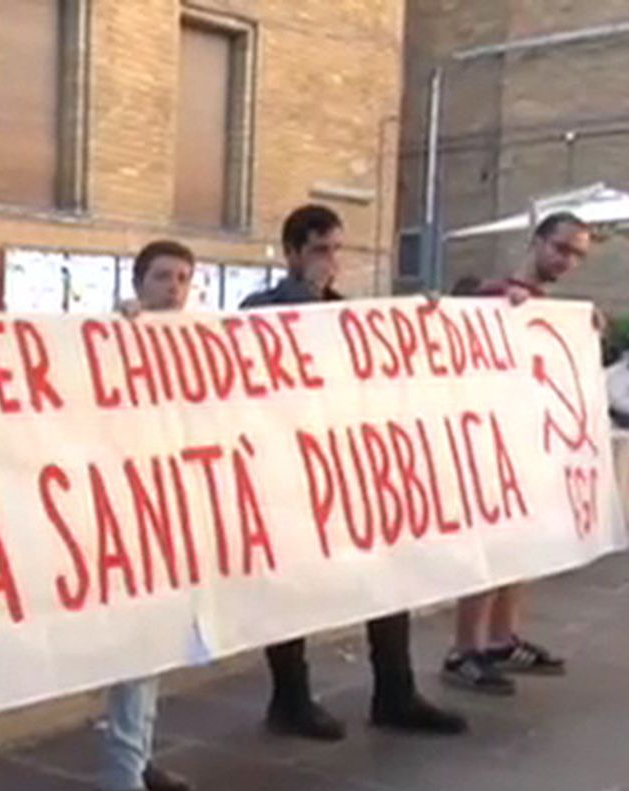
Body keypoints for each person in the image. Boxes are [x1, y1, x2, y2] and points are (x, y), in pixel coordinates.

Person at [242, 205, 468, 741]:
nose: (331, 261)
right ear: (293, 253)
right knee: (290, 587)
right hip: (286, 470)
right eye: (320, 250)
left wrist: (428, 324)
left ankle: (395, 690)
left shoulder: (344, 313)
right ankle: (290, 699)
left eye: (337, 250)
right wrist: (307, 298)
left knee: (386, 574)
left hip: (342, 470)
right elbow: (263, 356)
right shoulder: (260, 306)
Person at [443, 212, 591, 694]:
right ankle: (465, 648)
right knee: (488, 546)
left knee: (518, 546)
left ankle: (500, 639)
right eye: (562, 249)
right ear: (538, 241)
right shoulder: (494, 296)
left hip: (526, 441)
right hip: (487, 444)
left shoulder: (543, 307)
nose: (567, 261)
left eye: (577, 255)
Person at [91, 241, 203, 791]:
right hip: (130, 515)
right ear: (138, 282)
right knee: (136, 648)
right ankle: (121, 780)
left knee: (156, 645)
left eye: (184, 278)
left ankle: (136, 755)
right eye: (162, 277)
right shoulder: (119, 335)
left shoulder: (191, 344)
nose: (174, 288)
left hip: (173, 512)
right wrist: (120, 324)